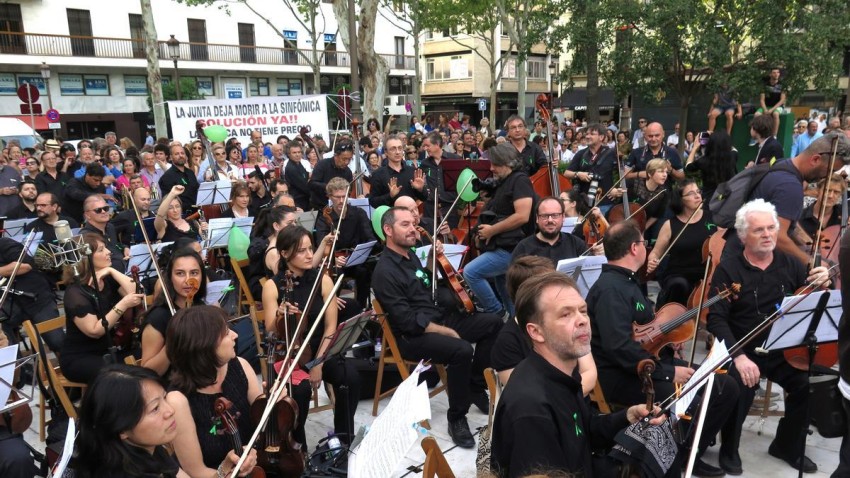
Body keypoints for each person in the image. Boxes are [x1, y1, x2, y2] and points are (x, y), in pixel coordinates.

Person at [588, 221, 739, 477]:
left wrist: (668, 342)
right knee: (699, 392)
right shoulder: (611, 290)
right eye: (644, 243)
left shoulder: (625, 283)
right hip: (621, 375)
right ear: (634, 248)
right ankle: (673, 457)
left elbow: (645, 334)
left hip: (646, 366)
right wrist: (668, 373)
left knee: (725, 386)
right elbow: (620, 348)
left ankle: (689, 452)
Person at [491, 271, 666, 477]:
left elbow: (581, 430)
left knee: (658, 448)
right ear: (536, 332)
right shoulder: (531, 409)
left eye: (583, 310)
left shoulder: (562, 370)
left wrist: (626, 416)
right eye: (566, 314)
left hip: (582, 465)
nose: (582, 320)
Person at [708, 199, 830, 474]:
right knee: (740, 385)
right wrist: (738, 357)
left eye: (771, 228)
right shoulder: (729, 269)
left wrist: (823, 283)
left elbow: (811, 299)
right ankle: (730, 448)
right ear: (743, 236)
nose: (767, 234)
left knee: (806, 383)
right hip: (743, 348)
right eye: (759, 230)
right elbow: (716, 318)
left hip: (782, 349)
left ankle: (786, 445)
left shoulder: (791, 263)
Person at [372, 207, 502, 448]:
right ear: (388, 230)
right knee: (462, 350)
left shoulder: (409, 256)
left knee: (494, 323)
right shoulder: (384, 272)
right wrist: (445, 331)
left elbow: (424, 286)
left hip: (437, 319)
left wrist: (432, 259)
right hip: (413, 336)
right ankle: (457, 418)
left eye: (413, 223)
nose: (413, 229)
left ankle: (473, 384)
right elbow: (408, 321)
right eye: (405, 225)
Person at [261, 226, 360, 449]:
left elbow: (330, 327)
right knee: (300, 391)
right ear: (285, 254)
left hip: (320, 350)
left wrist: (318, 364)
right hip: (290, 354)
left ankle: (343, 440)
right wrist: (279, 314)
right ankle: (298, 447)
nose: (309, 255)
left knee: (350, 377)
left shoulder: (322, 280)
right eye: (301, 251)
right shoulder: (272, 286)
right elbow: (270, 331)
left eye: (310, 249)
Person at [722, 132, 850, 266]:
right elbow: (778, 237)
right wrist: (812, 262)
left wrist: (807, 244)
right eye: (829, 170)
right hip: (745, 265)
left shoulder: (782, 164)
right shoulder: (790, 186)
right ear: (815, 159)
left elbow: (783, 222)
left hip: (737, 254)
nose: (828, 176)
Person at [166, 307, 261, 477]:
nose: (235, 335)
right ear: (204, 346)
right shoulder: (178, 401)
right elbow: (196, 471)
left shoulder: (240, 366)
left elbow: (264, 427)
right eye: (226, 333)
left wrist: (276, 404)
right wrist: (226, 471)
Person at [491, 255, 598, 393]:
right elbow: (524, 394)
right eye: (549, 286)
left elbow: (589, 372)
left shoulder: (569, 327)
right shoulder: (507, 341)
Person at [58, 233, 146, 384]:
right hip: (81, 357)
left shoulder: (108, 279)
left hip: (111, 350)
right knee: (120, 377)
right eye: (101, 250)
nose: (108, 252)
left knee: (152, 355)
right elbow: (95, 331)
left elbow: (139, 293)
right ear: (86, 258)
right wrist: (123, 304)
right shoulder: (75, 293)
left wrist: (113, 271)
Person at [72, 364, 185, 478]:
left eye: (165, 398)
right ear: (121, 429)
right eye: (155, 408)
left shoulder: (147, 447)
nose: (170, 411)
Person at [462, 143, 533, 316]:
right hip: (502, 245)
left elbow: (522, 215)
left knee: (470, 272)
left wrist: (492, 230)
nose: (491, 168)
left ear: (508, 162)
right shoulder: (505, 182)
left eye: (495, 164)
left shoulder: (520, 180)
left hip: (512, 248)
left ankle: (494, 311)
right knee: (506, 292)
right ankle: (516, 326)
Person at [139, 245, 208, 376]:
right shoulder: (158, 318)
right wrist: (173, 342)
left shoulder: (200, 307)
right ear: (170, 277)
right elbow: (147, 373)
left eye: (194, 273)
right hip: (174, 386)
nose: (188, 280)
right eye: (180, 273)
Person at [646, 180, 717, 306]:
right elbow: (656, 253)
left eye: (698, 191)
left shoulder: (712, 217)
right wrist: (652, 261)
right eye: (691, 193)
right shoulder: (670, 225)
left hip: (707, 274)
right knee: (679, 285)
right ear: (681, 199)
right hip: (678, 274)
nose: (697, 196)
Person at [314, 177, 376, 308]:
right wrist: (334, 258)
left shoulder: (358, 213)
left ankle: (361, 307)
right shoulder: (324, 218)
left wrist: (360, 251)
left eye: (344, 196)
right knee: (337, 274)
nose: (341, 201)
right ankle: (333, 307)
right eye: (337, 197)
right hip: (336, 262)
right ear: (330, 197)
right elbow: (321, 243)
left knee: (364, 272)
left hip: (355, 259)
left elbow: (369, 237)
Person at [511, 196, 594, 266]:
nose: (550, 220)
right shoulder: (523, 248)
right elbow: (514, 280)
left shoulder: (576, 244)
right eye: (544, 216)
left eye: (555, 215)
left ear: (563, 217)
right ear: (537, 218)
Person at [563, 123, 619, 214]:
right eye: (587, 134)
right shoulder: (581, 153)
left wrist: (617, 188)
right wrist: (578, 174)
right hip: (583, 202)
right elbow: (566, 173)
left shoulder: (611, 153)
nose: (587, 136)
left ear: (601, 137)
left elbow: (623, 173)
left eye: (592, 134)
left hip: (605, 202)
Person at [367, 135, 427, 209]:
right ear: (386, 152)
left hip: (410, 216)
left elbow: (424, 198)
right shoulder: (378, 174)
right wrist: (390, 196)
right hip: (390, 218)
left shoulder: (412, 171)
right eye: (393, 149)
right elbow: (373, 202)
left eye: (400, 148)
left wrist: (420, 189)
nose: (397, 152)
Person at [685, 130, 738, 201]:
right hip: (729, 198)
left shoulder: (704, 161)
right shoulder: (733, 156)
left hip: (710, 199)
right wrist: (718, 138)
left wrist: (695, 147)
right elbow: (733, 149)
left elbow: (688, 166)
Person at [80, 195, 128, 271]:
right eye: (98, 210)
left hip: (123, 270)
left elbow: (115, 245)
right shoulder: (86, 236)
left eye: (106, 208)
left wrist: (124, 248)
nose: (103, 212)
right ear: (87, 215)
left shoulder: (110, 227)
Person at [797, 173, 846, 244]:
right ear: (818, 190)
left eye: (836, 192)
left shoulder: (844, 214)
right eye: (827, 190)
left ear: (840, 195)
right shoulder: (800, 216)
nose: (831, 196)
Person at [629, 158, 670, 240]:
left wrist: (642, 230)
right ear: (650, 174)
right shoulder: (633, 184)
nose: (665, 175)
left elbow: (657, 215)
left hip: (644, 227)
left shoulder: (664, 192)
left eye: (666, 172)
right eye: (661, 171)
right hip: (624, 222)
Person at [308, 140, 355, 210]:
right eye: (344, 159)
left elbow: (349, 190)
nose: (347, 162)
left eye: (349, 159)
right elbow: (312, 184)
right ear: (336, 156)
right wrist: (329, 187)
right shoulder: (322, 165)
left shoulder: (348, 172)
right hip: (320, 207)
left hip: (339, 208)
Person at [158, 144, 200, 215]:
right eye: (177, 154)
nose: (180, 155)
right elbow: (168, 200)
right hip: (180, 215)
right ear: (171, 157)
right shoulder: (167, 177)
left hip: (196, 212)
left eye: (182, 153)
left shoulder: (190, 173)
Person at [754, 68, 787, 138]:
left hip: (778, 107)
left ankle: (774, 135)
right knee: (757, 115)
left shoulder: (783, 85)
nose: (776, 74)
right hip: (766, 106)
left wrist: (772, 110)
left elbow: (782, 100)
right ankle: (756, 135)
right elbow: (762, 100)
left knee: (775, 114)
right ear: (770, 74)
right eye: (774, 72)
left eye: (778, 72)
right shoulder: (765, 85)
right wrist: (765, 109)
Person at [284, 141, 312, 210]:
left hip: (305, 199)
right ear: (289, 154)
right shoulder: (291, 168)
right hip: (299, 201)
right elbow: (304, 186)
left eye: (299, 152)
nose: (297, 155)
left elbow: (306, 176)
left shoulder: (298, 164)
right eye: (294, 153)